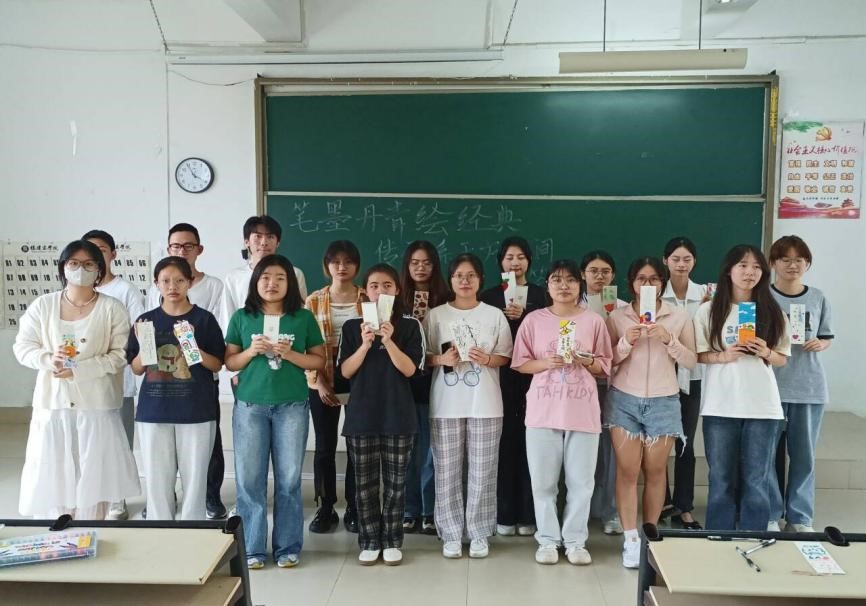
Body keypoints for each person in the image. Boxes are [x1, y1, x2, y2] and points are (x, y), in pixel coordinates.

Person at [13, 239, 139, 519]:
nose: (80, 269)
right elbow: (23, 347)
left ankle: (92, 530)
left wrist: (80, 370)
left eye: (88, 264)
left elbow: (120, 355)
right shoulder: (43, 305)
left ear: (99, 269)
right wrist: (49, 359)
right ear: (63, 267)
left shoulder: (112, 308)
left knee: (94, 475)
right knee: (55, 473)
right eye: (73, 263)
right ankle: (59, 531)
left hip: (97, 407)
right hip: (53, 406)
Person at [225, 254, 325, 569]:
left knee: (289, 479)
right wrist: (251, 351)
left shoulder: (302, 317)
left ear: (290, 283)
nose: (272, 283)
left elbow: (318, 360)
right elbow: (230, 362)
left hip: (292, 406)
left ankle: (287, 547)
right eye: (266, 277)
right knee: (249, 480)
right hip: (250, 406)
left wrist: (291, 354)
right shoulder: (242, 317)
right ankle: (253, 548)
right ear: (256, 281)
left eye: (280, 278)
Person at [512, 259, 613, 565]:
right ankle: (547, 540)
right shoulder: (534, 320)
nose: (564, 286)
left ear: (579, 284)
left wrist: (586, 360)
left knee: (581, 483)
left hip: (582, 410)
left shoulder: (593, 321)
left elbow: (605, 365)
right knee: (543, 483)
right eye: (557, 280)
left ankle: (575, 541)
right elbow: (520, 363)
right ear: (547, 285)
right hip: (543, 411)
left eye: (570, 280)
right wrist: (546, 363)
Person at [605, 256, 697, 568]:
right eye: (641, 279)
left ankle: (650, 532)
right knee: (627, 470)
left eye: (654, 279)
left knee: (656, 471)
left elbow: (691, 361)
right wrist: (624, 344)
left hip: (664, 400)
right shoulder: (617, 316)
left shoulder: (679, 316)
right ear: (631, 283)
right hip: (624, 399)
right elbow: (607, 362)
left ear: (662, 283)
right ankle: (630, 539)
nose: (647, 284)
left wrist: (668, 339)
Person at [694, 244, 790, 532]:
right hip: (720, 404)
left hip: (763, 406)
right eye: (743, 265)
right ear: (729, 270)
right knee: (721, 477)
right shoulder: (708, 311)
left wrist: (765, 351)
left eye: (757, 267)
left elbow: (782, 358)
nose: (750, 272)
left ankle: (753, 535)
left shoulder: (773, 311)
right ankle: (718, 535)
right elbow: (699, 355)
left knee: (757, 478)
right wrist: (724, 355)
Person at [424, 253, 513, 559]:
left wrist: (486, 358)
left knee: (483, 471)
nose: (465, 281)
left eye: (471, 275)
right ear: (450, 280)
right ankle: (450, 533)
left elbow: (506, 356)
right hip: (445, 405)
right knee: (446, 470)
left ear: (480, 280)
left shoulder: (494, 314)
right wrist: (441, 358)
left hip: (486, 404)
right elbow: (423, 357)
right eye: (459, 275)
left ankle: (478, 532)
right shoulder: (436, 315)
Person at [338, 264, 425, 566]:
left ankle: (392, 540)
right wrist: (365, 344)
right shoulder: (352, 327)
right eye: (374, 286)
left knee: (396, 484)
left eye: (387, 285)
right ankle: (369, 540)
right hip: (361, 415)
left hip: (399, 415)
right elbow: (345, 371)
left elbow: (410, 370)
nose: (380, 291)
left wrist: (388, 340)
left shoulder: (410, 326)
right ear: (365, 291)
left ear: (397, 290)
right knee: (365, 484)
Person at [127, 257, 225, 520]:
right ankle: (160, 529)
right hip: (154, 412)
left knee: (195, 481)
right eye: (166, 281)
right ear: (156, 284)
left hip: (196, 412)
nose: (172, 286)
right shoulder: (145, 321)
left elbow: (217, 364)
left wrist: (191, 345)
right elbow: (137, 368)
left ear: (190, 283)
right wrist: (144, 347)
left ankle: (191, 529)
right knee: (157, 480)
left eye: (180, 280)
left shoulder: (204, 319)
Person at [479, 236, 547, 537]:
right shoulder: (489, 296)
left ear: (529, 261)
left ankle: (528, 513)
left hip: (535, 379)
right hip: (499, 378)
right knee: (504, 444)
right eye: (509, 257)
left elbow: (550, 330)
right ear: (500, 263)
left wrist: (527, 315)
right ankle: (504, 513)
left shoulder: (542, 295)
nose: (515, 262)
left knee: (532, 445)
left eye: (521, 257)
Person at [768, 235, 833, 533]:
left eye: (799, 260)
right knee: (766, 455)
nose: (793, 265)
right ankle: (770, 513)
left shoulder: (817, 297)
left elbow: (827, 336)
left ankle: (800, 517)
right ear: (773, 263)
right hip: (769, 388)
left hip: (808, 387)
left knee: (804, 457)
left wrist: (820, 343)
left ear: (807, 263)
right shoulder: (762, 296)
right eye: (786, 259)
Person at [83, 229, 145, 521]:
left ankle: (116, 498)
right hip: (83, 384)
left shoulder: (125, 291)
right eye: (88, 250)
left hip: (120, 383)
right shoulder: (77, 292)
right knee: (89, 442)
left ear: (113, 254)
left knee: (119, 440)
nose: (95, 255)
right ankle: (93, 495)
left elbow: (137, 333)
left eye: (101, 249)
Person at [305, 241, 365, 534]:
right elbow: (304, 344)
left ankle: (355, 506)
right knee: (325, 447)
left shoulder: (368, 299)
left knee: (357, 445)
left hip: (359, 380)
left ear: (357, 266)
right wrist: (318, 384)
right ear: (326, 266)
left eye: (348, 261)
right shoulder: (313, 300)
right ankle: (326, 506)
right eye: (335, 261)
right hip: (323, 377)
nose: (342, 267)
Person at [398, 240, 449, 535]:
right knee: (407, 450)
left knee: (432, 450)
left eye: (427, 262)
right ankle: (409, 509)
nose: (420, 268)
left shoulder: (447, 297)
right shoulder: (395, 298)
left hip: (439, 382)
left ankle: (430, 510)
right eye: (415, 262)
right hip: (404, 384)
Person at [660, 237, 708, 530]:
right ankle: (663, 503)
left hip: (694, 375)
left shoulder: (706, 294)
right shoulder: (655, 294)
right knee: (660, 444)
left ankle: (684, 506)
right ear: (665, 261)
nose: (681, 264)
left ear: (694, 262)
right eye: (675, 259)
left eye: (687, 259)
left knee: (686, 443)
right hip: (662, 377)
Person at [580, 250, 628, 536]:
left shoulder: (623, 308)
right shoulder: (572, 305)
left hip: (615, 385)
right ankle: (579, 510)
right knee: (580, 448)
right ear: (583, 274)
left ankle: (610, 511)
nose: (600, 277)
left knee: (612, 451)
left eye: (606, 271)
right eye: (593, 271)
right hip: (581, 386)